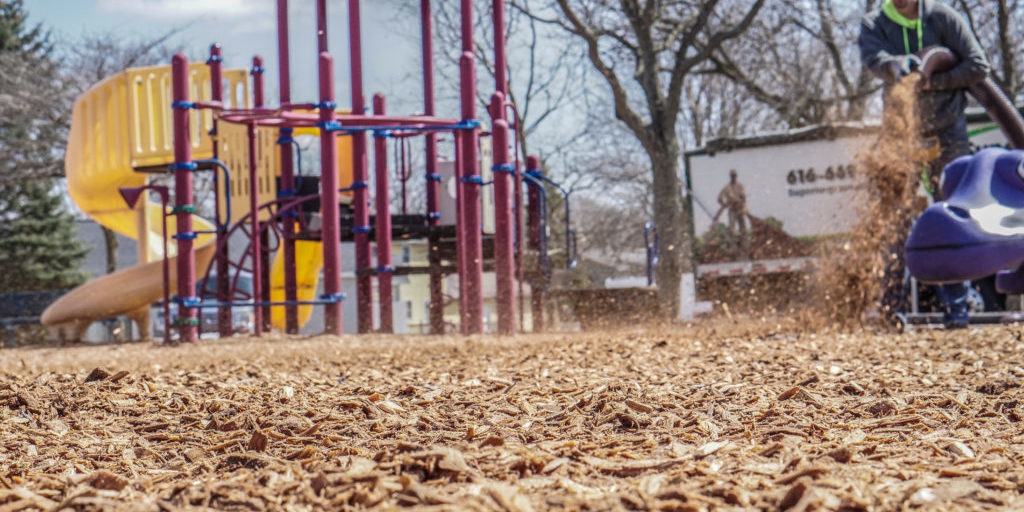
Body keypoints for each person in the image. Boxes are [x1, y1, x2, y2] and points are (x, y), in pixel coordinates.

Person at [859, 0, 990, 328]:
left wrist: (933, 79)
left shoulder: (943, 17)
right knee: (894, 217)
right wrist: (896, 66)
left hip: (948, 131)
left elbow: (978, 66)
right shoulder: (875, 24)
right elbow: (874, 60)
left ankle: (958, 308)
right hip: (901, 132)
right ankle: (891, 309)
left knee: (951, 214)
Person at [717, 169, 747, 238]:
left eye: (734, 176)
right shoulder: (727, 187)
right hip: (732, 210)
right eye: (732, 176)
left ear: (736, 176)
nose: (733, 177)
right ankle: (735, 242)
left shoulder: (740, 186)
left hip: (740, 210)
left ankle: (743, 242)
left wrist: (742, 204)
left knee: (743, 229)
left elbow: (744, 198)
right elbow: (719, 198)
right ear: (730, 176)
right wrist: (725, 205)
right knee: (732, 229)